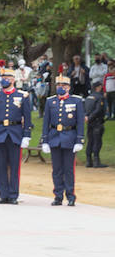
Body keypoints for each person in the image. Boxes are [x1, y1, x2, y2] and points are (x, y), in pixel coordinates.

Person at [0, 67, 32, 204]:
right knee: (0, 166)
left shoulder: (22, 96)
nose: (4, 80)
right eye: (3, 78)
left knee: (14, 166)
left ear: (13, 80)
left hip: (15, 133)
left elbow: (27, 118)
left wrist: (26, 135)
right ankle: (3, 194)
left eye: (7, 78)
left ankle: (13, 195)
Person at [41, 75, 83, 206]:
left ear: (69, 87)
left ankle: (70, 196)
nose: (61, 88)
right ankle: (58, 195)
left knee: (69, 169)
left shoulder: (76, 101)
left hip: (69, 137)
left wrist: (79, 140)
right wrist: (45, 140)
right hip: (54, 137)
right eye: (59, 86)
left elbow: (80, 122)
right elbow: (46, 122)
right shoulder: (50, 101)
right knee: (57, 169)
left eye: (64, 86)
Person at [85, 81, 106, 168]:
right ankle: (96, 161)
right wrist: (91, 118)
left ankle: (88, 161)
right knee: (97, 141)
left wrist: (87, 117)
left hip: (90, 122)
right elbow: (98, 110)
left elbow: (85, 109)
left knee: (90, 140)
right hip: (97, 121)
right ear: (99, 87)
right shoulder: (100, 97)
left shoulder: (88, 97)